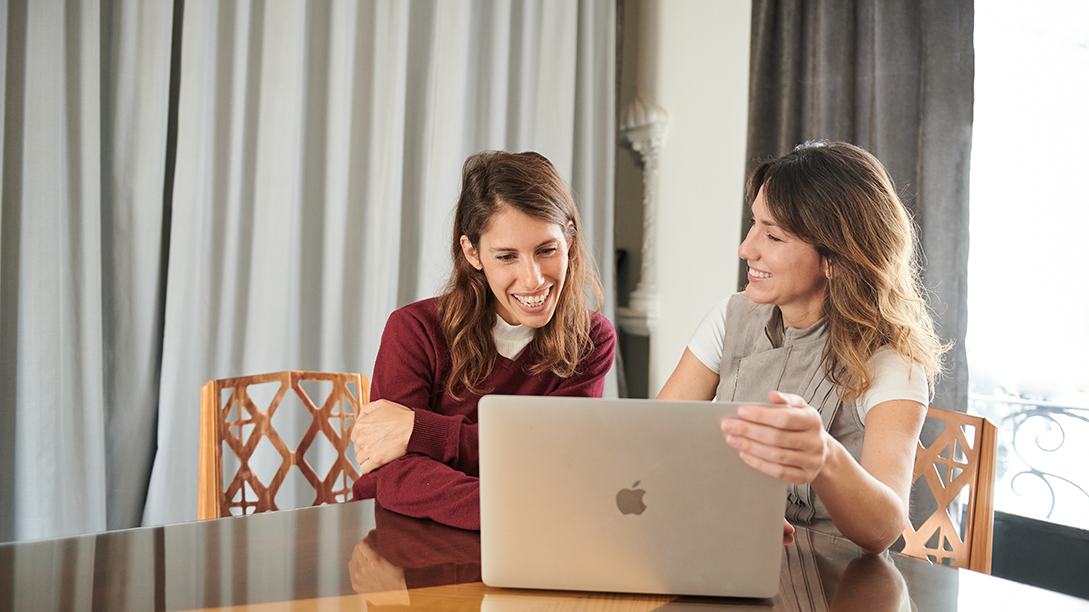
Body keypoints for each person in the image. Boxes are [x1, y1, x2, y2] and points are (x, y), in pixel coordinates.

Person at [658, 140, 945, 554]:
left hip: (837, 581)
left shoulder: (891, 361)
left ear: (835, 259)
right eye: (754, 224)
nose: (746, 249)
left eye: (773, 236)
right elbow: (657, 442)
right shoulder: (730, 317)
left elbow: (884, 528)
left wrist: (825, 457)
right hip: (731, 556)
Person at [350, 150, 616, 530]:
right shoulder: (414, 330)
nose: (533, 279)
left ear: (569, 240)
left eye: (547, 250)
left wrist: (421, 432)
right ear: (472, 252)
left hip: (520, 540)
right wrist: (514, 505)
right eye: (507, 256)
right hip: (403, 536)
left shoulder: (590, 340)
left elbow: (555, 460)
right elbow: (394, 476)